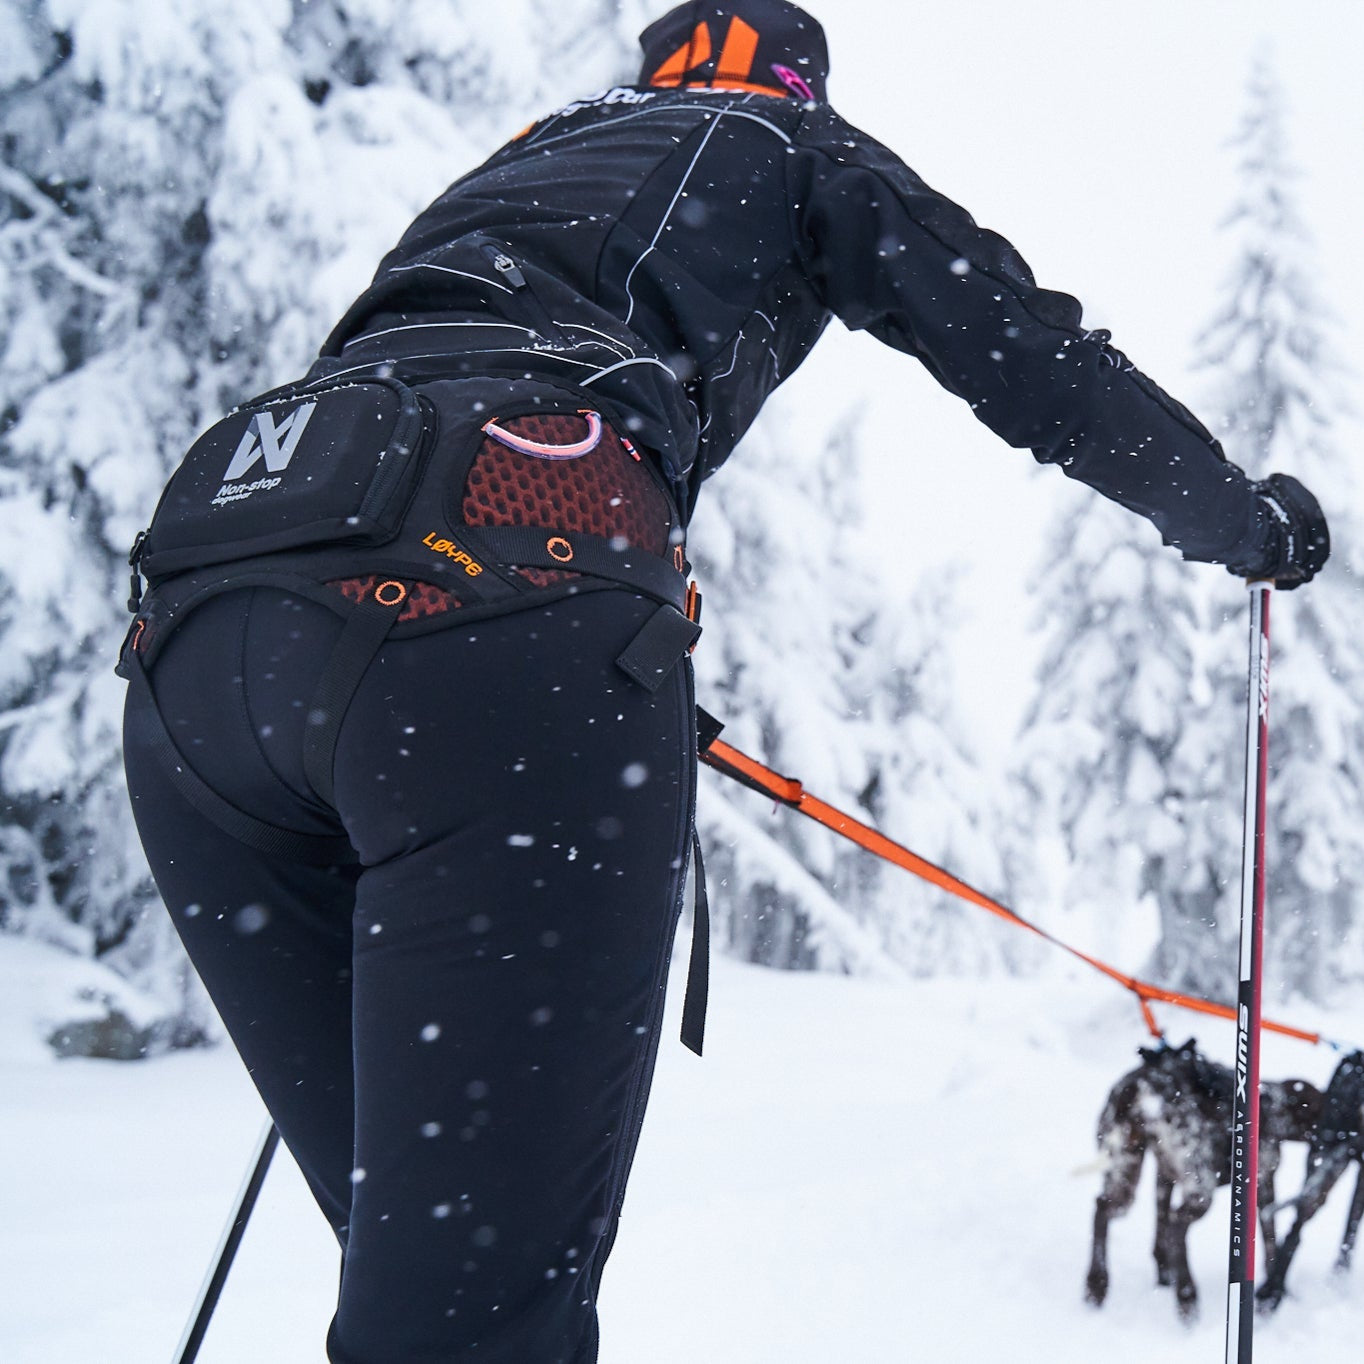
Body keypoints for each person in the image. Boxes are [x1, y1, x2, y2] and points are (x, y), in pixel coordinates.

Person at [119, 2, 1330, 1360]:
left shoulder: (515, 162)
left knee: (432, 1278)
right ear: (798, 77)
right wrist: (1244, 523)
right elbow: (1031, 356)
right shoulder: (791, 144)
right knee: (467, 1311)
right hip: (496, 619)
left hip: (202, 639)